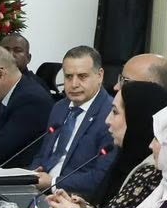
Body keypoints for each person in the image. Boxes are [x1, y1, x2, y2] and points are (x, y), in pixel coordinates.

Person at [45, 81, 167, 208]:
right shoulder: (126, 158)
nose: (107, 120)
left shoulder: (152, 170)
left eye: (115, 112)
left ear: (137, 118)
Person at [29, 46, 116, 197]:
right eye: (68, 76)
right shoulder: (59, 107)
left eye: (82, 76)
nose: (74, 84)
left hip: (74, 198)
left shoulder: (111, 114)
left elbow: (100, 176)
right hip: (39, 190)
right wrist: (32, 175)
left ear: (100, 75)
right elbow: (42, 155)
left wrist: (53, 182)